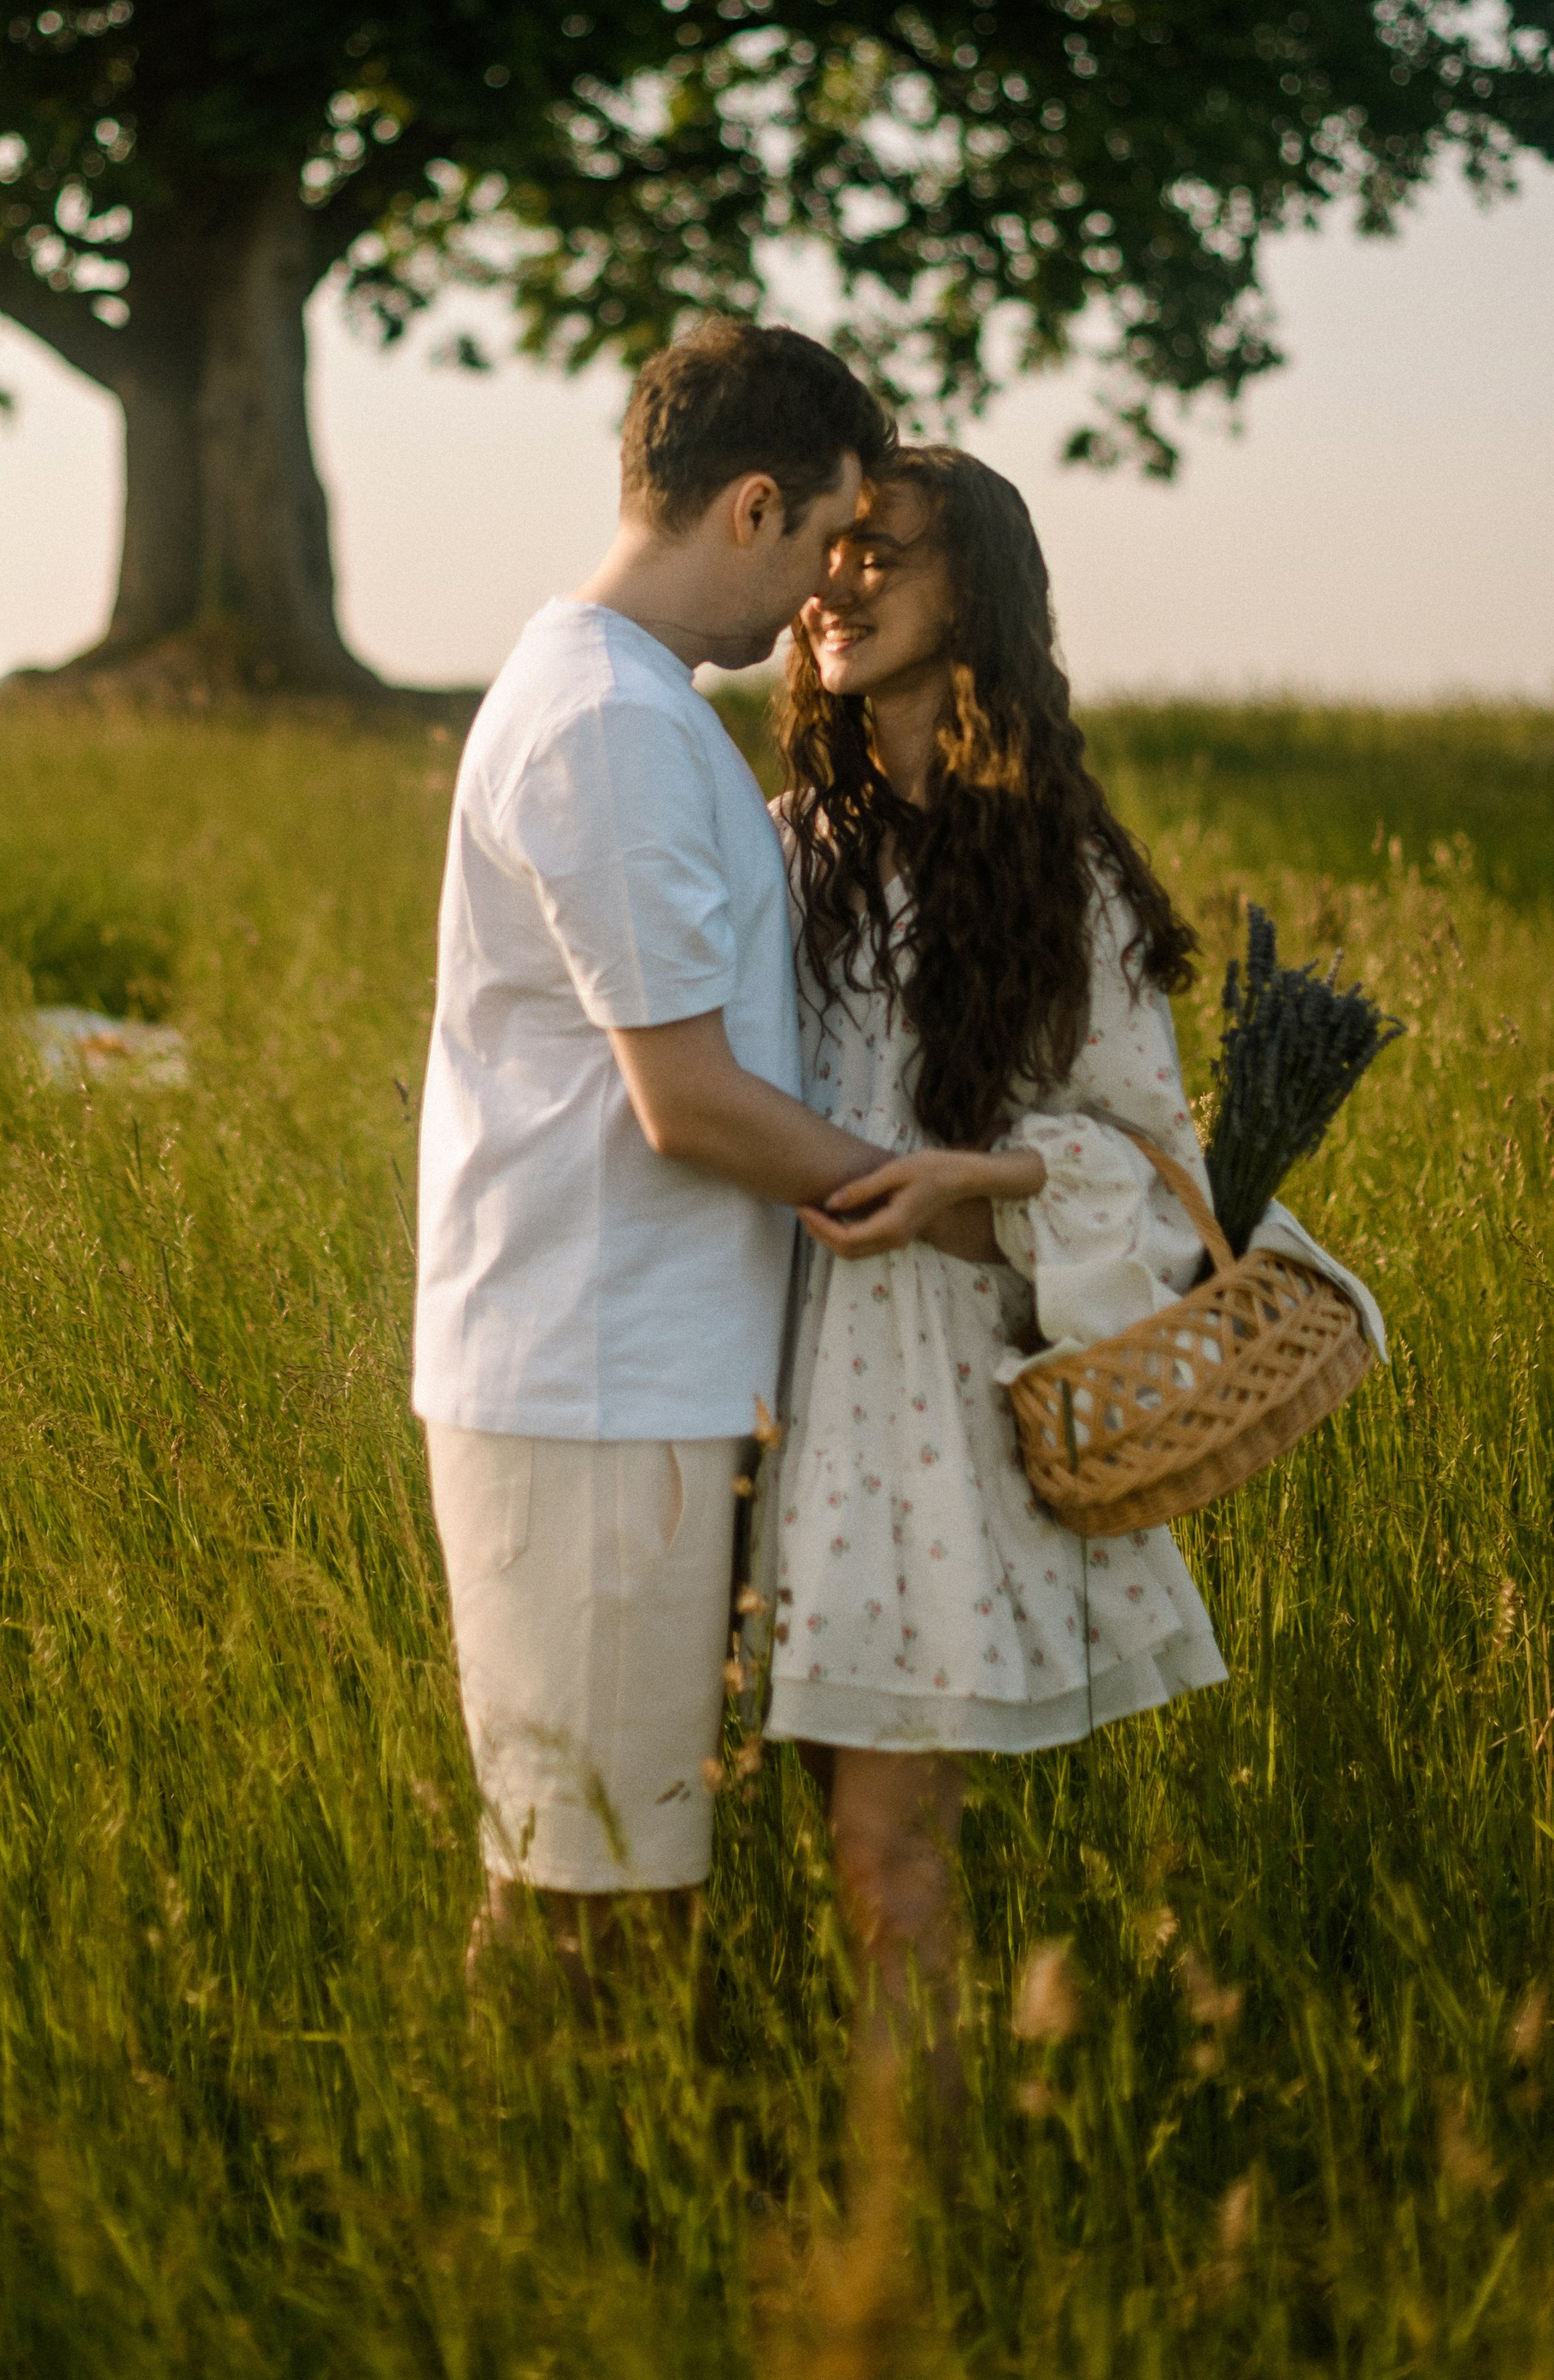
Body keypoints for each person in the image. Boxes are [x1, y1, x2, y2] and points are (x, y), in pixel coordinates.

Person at [413, 318, 896, 1984]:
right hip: (588, 1381)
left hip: (637, 1373)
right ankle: (524, 2230)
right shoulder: (603, 720)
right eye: (832, 534)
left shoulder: (632, 704)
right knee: (585, 1900)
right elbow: (681, 1101)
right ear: (750, 505)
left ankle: (558, 2211)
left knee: (609, 1870)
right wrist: (954, 1216)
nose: (829, 587)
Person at [754, 444, 1230, 2114]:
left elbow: (1160, 1174)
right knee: (749, 1860)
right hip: (746, 1383)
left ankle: (901, 2253)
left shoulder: (1050, 866)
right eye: (828, 551)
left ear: (978, 598)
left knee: (888, 1869)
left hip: (923, 1414)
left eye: (885, 555)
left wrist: (986, 1176)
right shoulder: (774, 846)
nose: (839, 586)